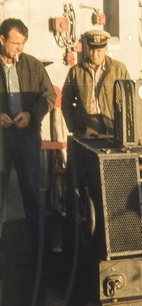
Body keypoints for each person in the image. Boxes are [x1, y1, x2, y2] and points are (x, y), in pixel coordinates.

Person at [0, 18, 57, 251]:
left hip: (27, 138)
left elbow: (49, 97)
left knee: (33, 195)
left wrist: (31, 115)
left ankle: (40, 250)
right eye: (15, 43)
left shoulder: (33, 65)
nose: (19, 49)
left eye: (23, 43)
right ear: (2, 40)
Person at [62, 29, 130, 136]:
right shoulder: (76, 71)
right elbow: (66, 99)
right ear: (88, 48)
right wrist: (72, 126)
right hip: (84, 126)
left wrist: (125, 127)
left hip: (112, 125)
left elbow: (128, 99)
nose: (95, 55)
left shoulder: (119, 69)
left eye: (99, 51)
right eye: (92, 50)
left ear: (106, 49)